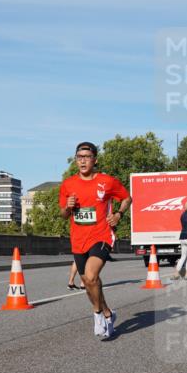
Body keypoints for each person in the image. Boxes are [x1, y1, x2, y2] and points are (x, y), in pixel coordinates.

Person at [59, 141, 131, 340]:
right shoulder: (68, 184)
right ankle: (108, 313)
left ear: (94, 160)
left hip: (102, 235)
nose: (82, 161)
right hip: (78, 239)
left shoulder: (107, 181)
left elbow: (127, 198)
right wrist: (68, 206)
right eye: (79, 157)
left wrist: (118, 214)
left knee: (91, 276)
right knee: (89, 282)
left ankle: (98, 315)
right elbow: (63, 214)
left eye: (87, 157)